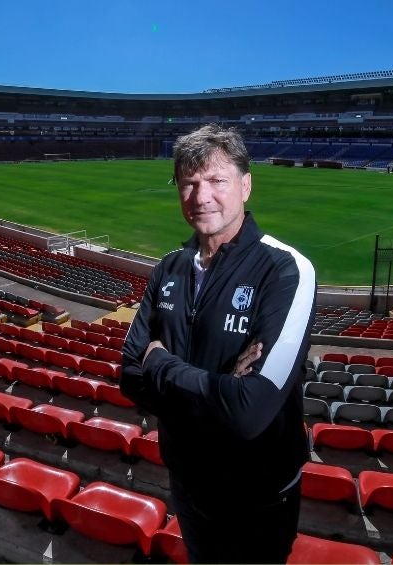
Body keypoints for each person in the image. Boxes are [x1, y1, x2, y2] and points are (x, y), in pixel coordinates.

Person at [121, 124, 316, 563]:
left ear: (246, 185)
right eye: (188, 183)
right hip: (186, 482)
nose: (200, 196)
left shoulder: (286, 270)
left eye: (216, 180)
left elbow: (251, 410)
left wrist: (162, 364)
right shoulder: (168, 268)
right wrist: (218, 385)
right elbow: (130, 376)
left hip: (259, 493)